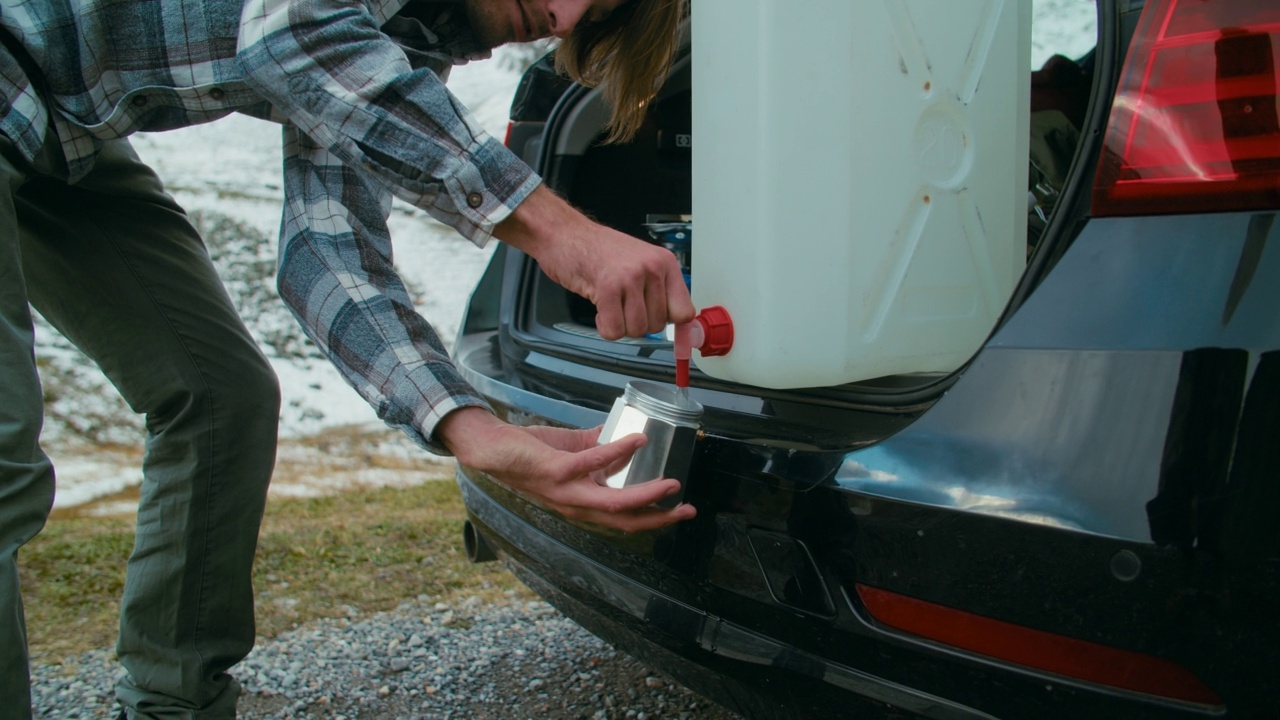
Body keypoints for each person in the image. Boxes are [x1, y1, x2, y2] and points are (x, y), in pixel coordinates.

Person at [0, 0, 694, 716]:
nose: (564, 16)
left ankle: (173, 707)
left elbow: (328, 254)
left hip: (61, 130)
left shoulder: (407, 43)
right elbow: (289, 32)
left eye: (600, 12)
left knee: (220, 399)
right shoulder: (331, 27)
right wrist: (557, 232)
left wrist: (478, 433)